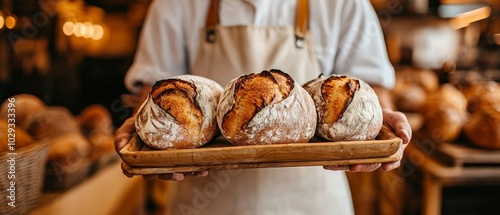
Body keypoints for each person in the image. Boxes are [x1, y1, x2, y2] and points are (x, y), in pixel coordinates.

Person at [114, 0, 412, 214]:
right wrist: (146, 135)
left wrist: (377, 125)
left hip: (313, 203)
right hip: (203, 203)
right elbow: (150, 96)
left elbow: (373, 92)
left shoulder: (345, 4)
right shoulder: (174, 5)